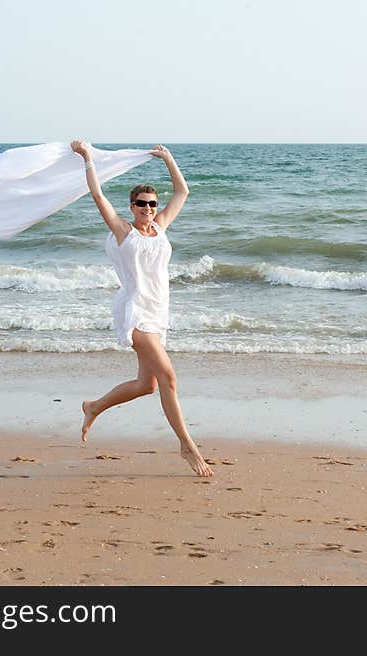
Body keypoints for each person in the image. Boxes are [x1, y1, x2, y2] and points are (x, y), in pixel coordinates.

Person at [71, 140, 213, 477]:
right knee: (168, 377)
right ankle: (187, 445)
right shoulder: (124, 232)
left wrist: (168, 158)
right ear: (132, 207)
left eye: (151, 204)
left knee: (146, 385)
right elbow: (97, 197)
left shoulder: (160, 227)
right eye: (140, 204)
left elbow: (183, 191)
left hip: (158, 311)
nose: (147, 209)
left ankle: (93, 407)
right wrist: (88, 159)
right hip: (134, 312)